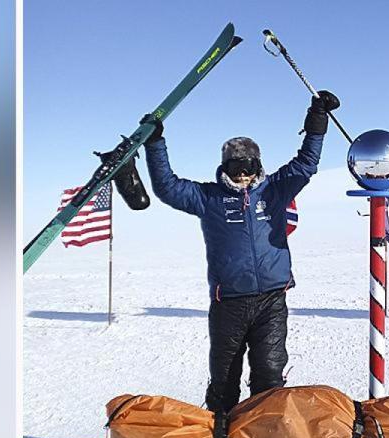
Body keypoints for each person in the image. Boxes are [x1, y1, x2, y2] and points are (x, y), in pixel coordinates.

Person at [140, 90, 341, 414]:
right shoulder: (208, 198)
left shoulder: (274, 190)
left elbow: (306, 165)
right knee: (224, 381)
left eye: (248, 168)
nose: (243, 176)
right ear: (225, 167)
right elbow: (167, 187)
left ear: (258, 166)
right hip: (229, 303)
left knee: (269, 378)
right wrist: (155, 144)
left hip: (271, 301)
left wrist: (317, 119)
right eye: (236, 168)